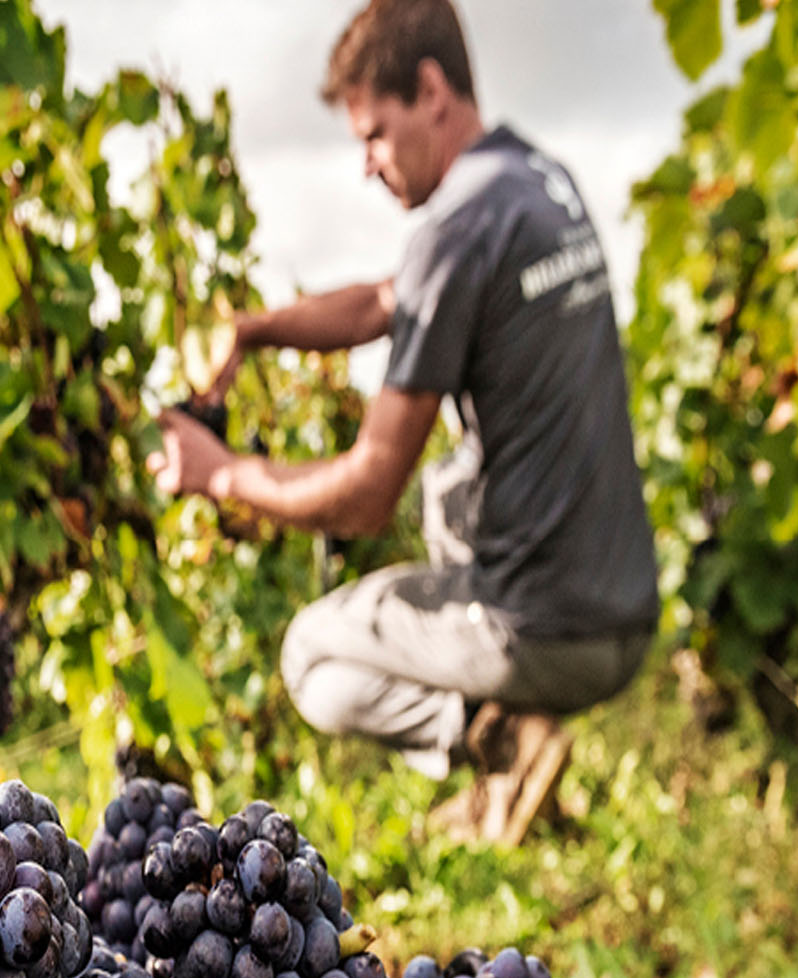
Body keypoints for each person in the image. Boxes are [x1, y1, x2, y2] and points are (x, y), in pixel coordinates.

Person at [148, 0, 660, 842]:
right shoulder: (535, 184)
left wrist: (219, 473)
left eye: (373, 135)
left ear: (430, 91)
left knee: (313, 654)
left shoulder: (456, 230)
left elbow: (366, 497)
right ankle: (515, 768)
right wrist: (256, 328)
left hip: (539, 630)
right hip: (625, 612)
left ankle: (509, 741)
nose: (366, 165)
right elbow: (390, 301)